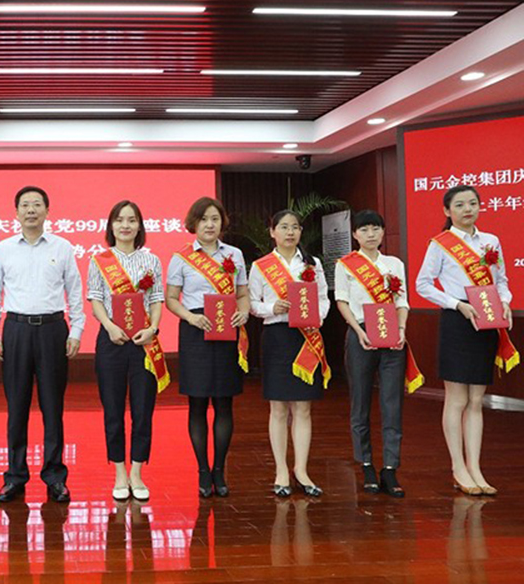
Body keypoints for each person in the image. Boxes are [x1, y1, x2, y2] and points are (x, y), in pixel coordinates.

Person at [0, 186, 85, 503]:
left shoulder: (63, 246)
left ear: (47, 211)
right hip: (16, 330)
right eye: (25, 205)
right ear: (16, 213)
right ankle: (15, 476)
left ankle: (55, 476)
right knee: (16, 407)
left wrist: (76, 331)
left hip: (53, 330)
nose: (31, 210)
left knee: (53, 407)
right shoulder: (3, 248)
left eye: (37, 204)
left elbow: (74, 291)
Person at [415, 185, 516, 497]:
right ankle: (458, 467)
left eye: (473, 203)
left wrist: (505, 302)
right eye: (460, 205)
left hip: (486, 320)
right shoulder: (440, 244)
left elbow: (501, 281)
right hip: (458, 320)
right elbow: (422, 285)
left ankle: (475, 467)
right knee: (457, 399)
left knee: (476, 401)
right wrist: (456, 304)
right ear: (447, 211)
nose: (468, 209)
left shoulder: (490, 241)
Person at [165, 197, 249, 498]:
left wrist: (244, 312)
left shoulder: (235, 255)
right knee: (198, 403)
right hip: (195, 330)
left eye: (215, 219)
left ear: (222, 222)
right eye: (203, 220)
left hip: (227, 329)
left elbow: (242, 293)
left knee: (224, 403)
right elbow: (171, 298)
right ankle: (202, 470)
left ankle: (219, 470)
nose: (210, 225)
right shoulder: (181, 258)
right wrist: (191, 317)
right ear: (194, 224)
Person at [88, 200, 168, 502]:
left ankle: (137, 472)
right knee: (112, 409)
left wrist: (153, 328)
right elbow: (96, 299)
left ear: (139, 226)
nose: (125, 225)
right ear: (111, 225)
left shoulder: (152, 261)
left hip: (143, 342)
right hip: (111, 341)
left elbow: (156, 299)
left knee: (143, 410)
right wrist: (110, 326)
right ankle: (119, 472)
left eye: (131, 220)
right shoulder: (99, 260)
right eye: (119, 220)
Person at [248, 209, 330, 497]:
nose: (290, 232)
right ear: (272, 232)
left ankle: (302, 470)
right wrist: (272, 308)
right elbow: (252, 304)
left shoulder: (312, 263)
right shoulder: (261, 266)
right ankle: (281, 470)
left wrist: (316, 317)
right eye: (283, 227)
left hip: (306, 337)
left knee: (303, 408)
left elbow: (323, 298)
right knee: (279, 408)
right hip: (277, 337)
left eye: (295, 227)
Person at [335, 209, 417, 498]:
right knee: (360, 402)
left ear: (383, 232)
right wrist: (358, 331)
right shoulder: (345, 264)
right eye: (364, 229)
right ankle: (367, 464)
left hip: (392, 336)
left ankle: (390, 468)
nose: (370, 234)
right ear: (355, 234)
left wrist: (402, 329)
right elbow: (342, 301)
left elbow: (401, 301)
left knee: (392, 403)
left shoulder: (394, 264)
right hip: (361, 335)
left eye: (375, 228)